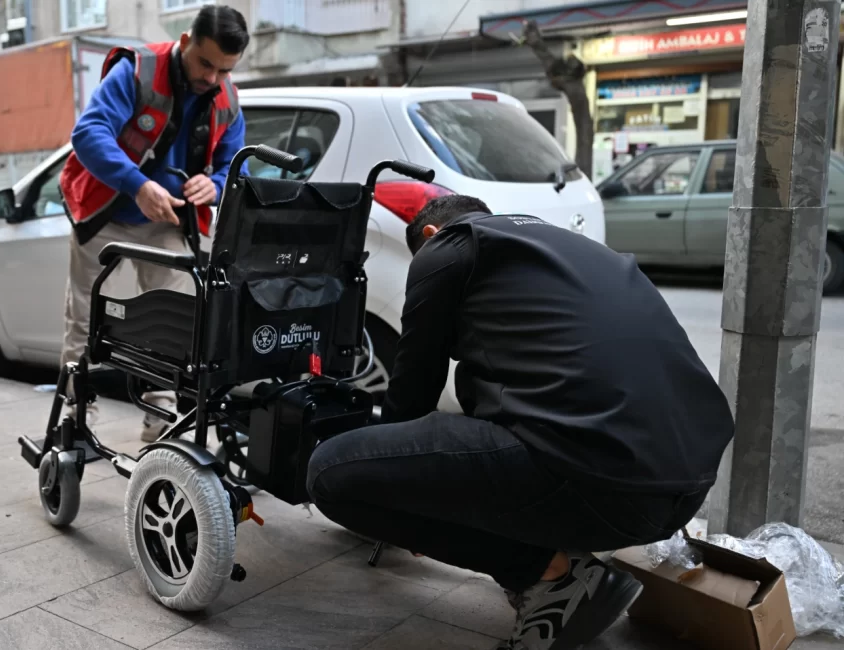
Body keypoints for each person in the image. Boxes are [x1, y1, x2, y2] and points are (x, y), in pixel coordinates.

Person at [306, 195, 735, 650]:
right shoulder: (574, 248)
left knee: (329, 473)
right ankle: (560, 556)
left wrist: (403, 494)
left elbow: (412, 392)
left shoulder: (449, 245)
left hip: (601, 482)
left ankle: (551, 576)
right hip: (681, 488)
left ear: (429, 235)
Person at [58, 6, 250, 442]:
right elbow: (88, 133)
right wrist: (138, 185)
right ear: (185, 42)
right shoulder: (137, 71)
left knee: (169, 319)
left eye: (224, 70)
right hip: (106, 211)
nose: (212, 78)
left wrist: (216, 185)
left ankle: (160, 416)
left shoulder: (227, 99)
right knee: (85, 315)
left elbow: (234, 166)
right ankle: (76, 412)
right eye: (205, 63)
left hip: (167, 220)